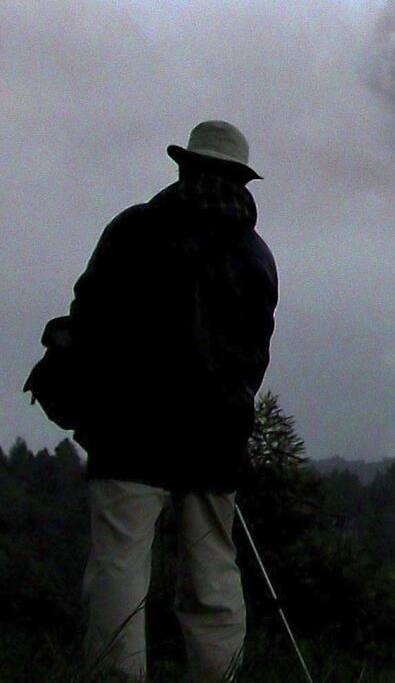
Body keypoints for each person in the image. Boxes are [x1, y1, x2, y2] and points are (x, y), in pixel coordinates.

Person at [68, 120, 278, 681]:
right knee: (212, 575)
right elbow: (254, 353)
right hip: (214, 441)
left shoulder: (134, 231)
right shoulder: (254, 255)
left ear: (184, 167)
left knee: (119, 568)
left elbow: (88, 315)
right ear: (241, 180)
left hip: (127, 430)